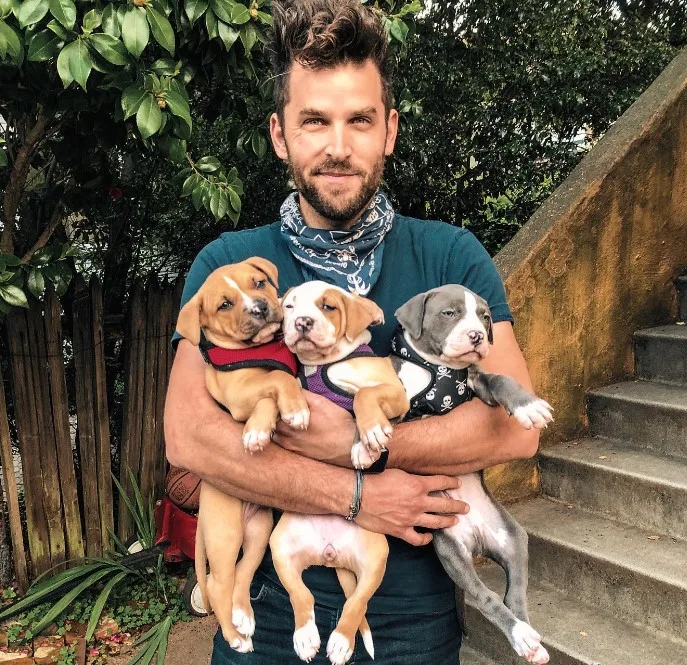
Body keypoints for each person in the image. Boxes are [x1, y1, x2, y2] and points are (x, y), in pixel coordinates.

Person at [164, 1, 540, 663]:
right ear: (280, 134)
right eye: (314, 121)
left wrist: (369, 440)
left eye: (359, 120)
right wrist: (360, 491)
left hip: (412, 628)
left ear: (389, 130)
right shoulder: (228, 267)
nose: (338, 146)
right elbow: (189, 434)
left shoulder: (450, 258)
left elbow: (514, 427)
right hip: (265, 627)